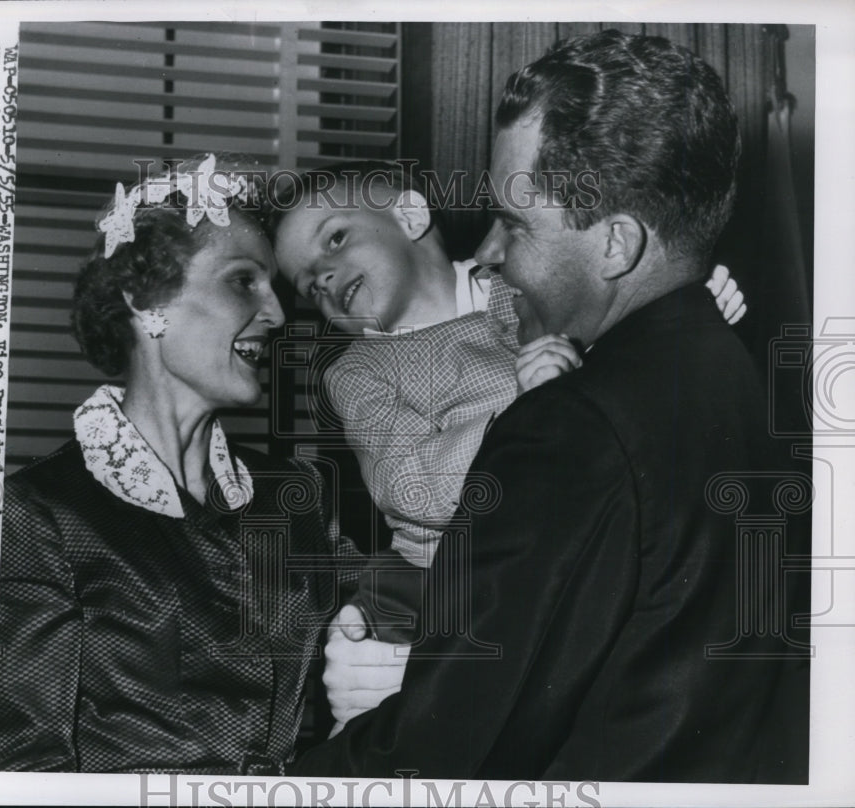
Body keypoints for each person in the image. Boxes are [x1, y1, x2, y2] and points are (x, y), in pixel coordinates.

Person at [290, 30, 808, 781]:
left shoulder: (570, 427)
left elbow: (449, 747)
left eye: (517, 222)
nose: (491, 250)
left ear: (616, 245)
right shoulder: (731, 374)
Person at [0, 154, 361, 774]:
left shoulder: (298, 493)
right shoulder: (39, 514)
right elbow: (24, 767)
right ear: (143, 297)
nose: (276, 314)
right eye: (243, 280)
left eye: (273, 287)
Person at [271, 161, 746, 641]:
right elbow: (405, 483)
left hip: (574, 535)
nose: (324, 279)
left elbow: (615, 335)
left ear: (411, 217)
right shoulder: (356, 370)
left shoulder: (518, 279)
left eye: (334, 241)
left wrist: (683, 316)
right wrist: (523, 410)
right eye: (309, 286)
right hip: (448, 569)